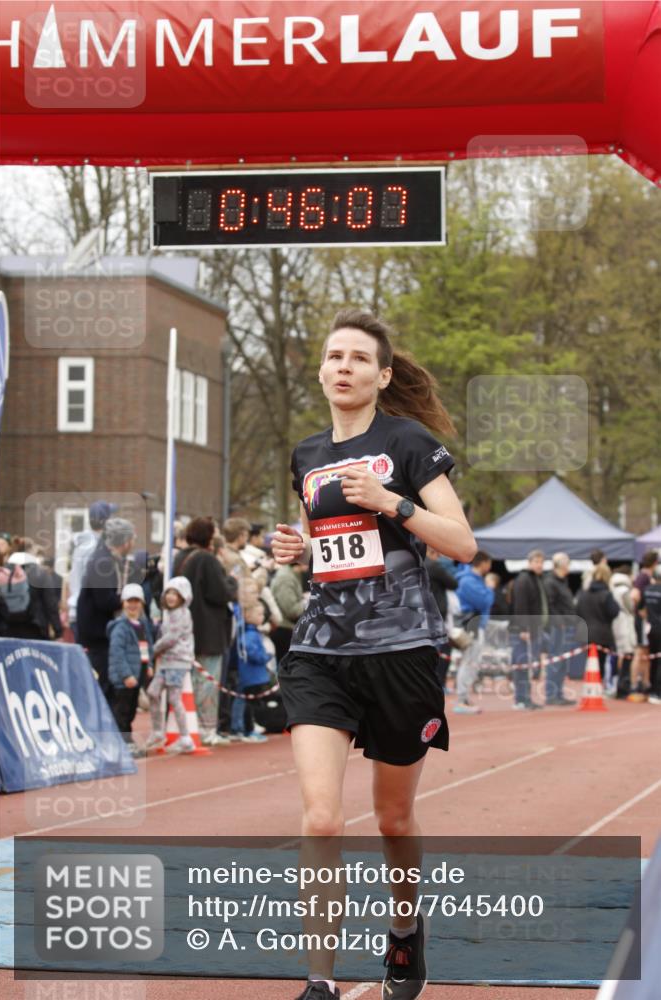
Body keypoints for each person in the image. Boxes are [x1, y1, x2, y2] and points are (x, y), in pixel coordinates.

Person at [271, 309, 476, 1000]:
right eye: (334, 356)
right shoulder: (305, 454)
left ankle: (404, 926)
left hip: (400, 650)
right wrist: (301, 553)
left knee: (391, 818)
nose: (343, 367)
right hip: (322, 648)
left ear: (381, 375)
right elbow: (326, 550)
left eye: (359, 358)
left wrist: (392, 502)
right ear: (322, 370)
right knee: (322, 817)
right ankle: (319, 981)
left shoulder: (407, 442)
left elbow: (462, 544)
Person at [174, 516, 237, 746]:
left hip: (184, 628)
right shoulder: (207, 560)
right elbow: (220, 592)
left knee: (188, 680)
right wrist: (232, 582)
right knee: (207, 681)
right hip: (208, 630)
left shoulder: (178, 558)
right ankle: (206, 728)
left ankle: (187, 727)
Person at [76, 517, 136, 697]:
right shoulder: (103, 562)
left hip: (98, 631)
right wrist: (127, 600)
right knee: (101, 685)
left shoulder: (106, 558)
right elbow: (104, 600)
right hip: (97, 633)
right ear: (124, 541)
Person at [146, 576, 196, 753]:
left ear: (183, 596)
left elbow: (171, 637)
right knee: (153, 692)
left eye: (175, 593)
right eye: (169, 593)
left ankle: (185, 737)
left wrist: (154, 649)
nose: (171, 597)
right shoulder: (168, 613)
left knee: (174, 698)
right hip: (167, 661)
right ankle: (158, 731)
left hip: (178, 660)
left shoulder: (183, 613)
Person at [106, 582, 154, 756]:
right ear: (123, 603)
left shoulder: (142, 625)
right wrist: (126, 675)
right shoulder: (120, 627)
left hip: (138, 674)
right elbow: (117, 653)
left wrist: (148, 665)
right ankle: (122, 742)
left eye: (137, 602)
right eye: (129, 602)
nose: (133, 605)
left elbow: (148, 647)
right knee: (122, 711)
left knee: (132, 709)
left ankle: (126, 741)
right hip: (124, 678)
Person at [68, 500, 118, 639]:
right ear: (106, 521)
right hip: (88, 613)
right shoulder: (94, 547)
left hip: (81, 609)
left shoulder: (86, 544)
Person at [0, 539, 62, 642]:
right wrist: (58, 630)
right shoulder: (41, 574)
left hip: (9, 627)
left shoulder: (3, 572)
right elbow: (50, 604)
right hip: (36, 627)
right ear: (31, 552)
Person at [453, 551, 494, 714]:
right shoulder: (468, 581)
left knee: (470, 662)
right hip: (471, 626)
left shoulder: (472, 580)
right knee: (468, 662)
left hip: (475, 625)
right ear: (483, 563)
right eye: (489, 563)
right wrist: (490, 589)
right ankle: (462, 699)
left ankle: (464, 697)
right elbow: (485, 601)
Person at [509, 550, 548, 710]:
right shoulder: (524, 580)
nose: (539, 565)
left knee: (529, 665)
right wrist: (523, 628)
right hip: (524, 631)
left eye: (541, 562)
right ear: (530, 562)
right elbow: (521, 606)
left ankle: (526, 698)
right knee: (522, 665)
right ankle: (521, 699)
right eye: (537, 562)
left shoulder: (536, 579)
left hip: (535, 628)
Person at [230, 600, 273, 742]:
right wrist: (265, 656)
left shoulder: (251, 632)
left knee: (244, 702)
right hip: (250, 675)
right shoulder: (249, 634)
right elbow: (251, 651)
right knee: (247, 702)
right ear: (248, 616)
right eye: (259, 614)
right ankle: (245, 729)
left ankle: (243, 727)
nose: (262, 617)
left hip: (251, 674)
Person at [575, 564, 620, 678]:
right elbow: (614, 611)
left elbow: (577, 611)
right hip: (602, 635)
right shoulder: (606, 594)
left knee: (587, 665)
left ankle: (589, 687)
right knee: (600, 665)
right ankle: (597, 688)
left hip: (585, 633)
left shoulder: (583, 594)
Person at [542, 552, 575, 705]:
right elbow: (550, 605)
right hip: (557, 627)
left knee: (563, 661)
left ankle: (559, 693)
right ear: (561, 565)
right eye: (567, 563)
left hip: (566, 625)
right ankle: (551, 694)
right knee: (555, 659)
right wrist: (559, 621)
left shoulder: (562, 581)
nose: (569, 567)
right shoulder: (550, 582)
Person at [630, 550, 658, 697]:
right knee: (640, 651)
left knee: (646, 652)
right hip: (642, 620)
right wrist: (641, 611)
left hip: (646, 621)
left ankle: (646, 682)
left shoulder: (646, 576)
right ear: (655, 563)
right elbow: (634, 595)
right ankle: (634, 684)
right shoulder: (643, 577)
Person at [270, 555, 309, 661]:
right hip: (283, 630)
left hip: (288, 628)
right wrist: (308, 601)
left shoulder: (292, 574)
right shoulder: (286, 578)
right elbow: (292, 610)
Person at [610, 565, 637, 698]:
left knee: (616, 655)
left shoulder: (612, 588)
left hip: (615, 625)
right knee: (627, 655)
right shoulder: (624, 590)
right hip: (625, 625)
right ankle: (623, 686)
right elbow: (631, 608)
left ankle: (614, 683)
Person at [639, 568, 661, 704]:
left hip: (650, 628)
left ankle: (652, 688)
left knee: (652, 659)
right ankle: (657, 691)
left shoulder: (646, 590)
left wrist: (648, 619)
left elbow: (640, 609)